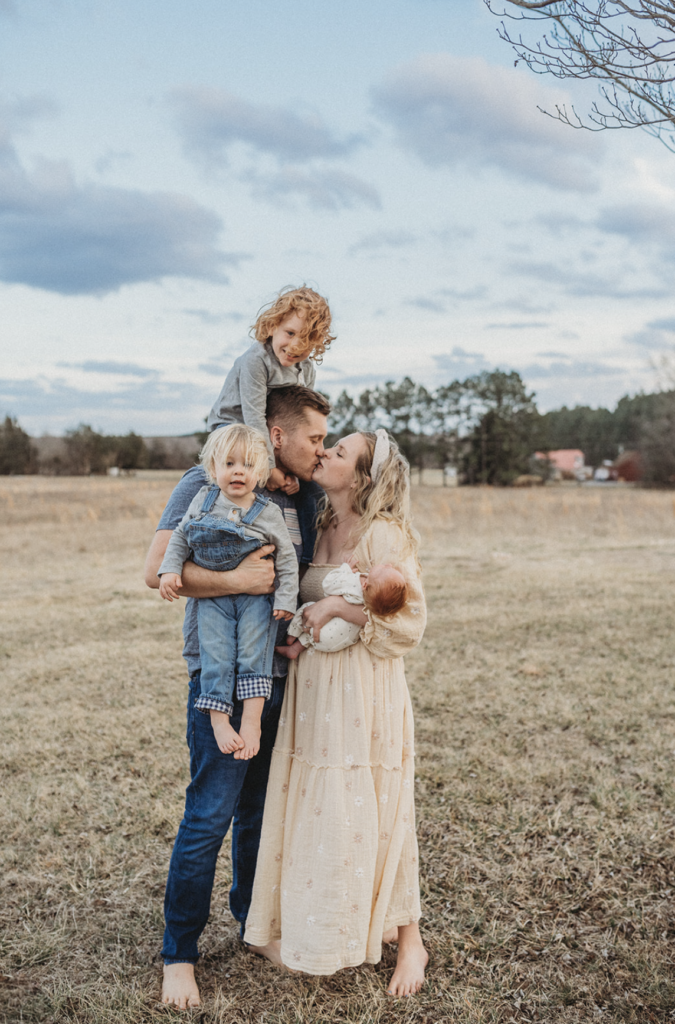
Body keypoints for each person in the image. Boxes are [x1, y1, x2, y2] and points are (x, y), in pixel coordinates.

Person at [143, 385, 329, 1010]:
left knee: (258, 808)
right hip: (218, 669)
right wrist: (236, 578)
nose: (320, 450)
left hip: (278, 671)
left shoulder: (309, 494)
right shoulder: (203, 480)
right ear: (275, 437)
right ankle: (179, 954)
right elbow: (156, 571)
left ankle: (251, 923)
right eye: (314, 439)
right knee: (210, 813)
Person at [244, 428, 429, 998]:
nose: (324, 452)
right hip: (315, 688)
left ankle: (410, 940)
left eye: (339, 451)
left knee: (374, 800)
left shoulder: (384, 534)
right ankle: (329, 923)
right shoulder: (321, 522)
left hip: (362, 687)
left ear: (364, 477)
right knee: (321, 800)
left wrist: (332, 604)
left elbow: (407, 619)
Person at [158, 424, 299, 760]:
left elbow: (288, 559)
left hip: (256, 603)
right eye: (230, 463)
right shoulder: (202, 501)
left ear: (262, 472)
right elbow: (179, 536)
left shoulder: (268, 512)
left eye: (248, 465)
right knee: (215, 655)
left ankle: (251, 722)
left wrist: (285, 599)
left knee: (254, 655)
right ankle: (220, 721)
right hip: (213, 600)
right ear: (213, 469)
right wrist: (170, 569)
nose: (239, 471)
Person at [206, 286, 334, 494]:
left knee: (309, 488)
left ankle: (307, 526)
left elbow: (300, 421)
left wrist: (293, 465)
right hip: (232, 425)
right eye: (290, 333)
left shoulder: (306, 370)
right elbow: (254, 417)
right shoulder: (256, 362)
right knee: (243, 470)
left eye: (306, 339)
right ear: (273, 325)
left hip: (271, 431)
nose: (295, 346)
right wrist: (269, 468)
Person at [276, 562, 407, 659]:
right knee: (317, 631)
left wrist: (345, 569)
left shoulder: (353, 583)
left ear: (365, 585)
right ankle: (295, 648)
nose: (388, 564)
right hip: (340, 640)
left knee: (309, 608)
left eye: (384, 568)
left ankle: (291, 636)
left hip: (326, 633)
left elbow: (328, 584)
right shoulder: (373, 602)